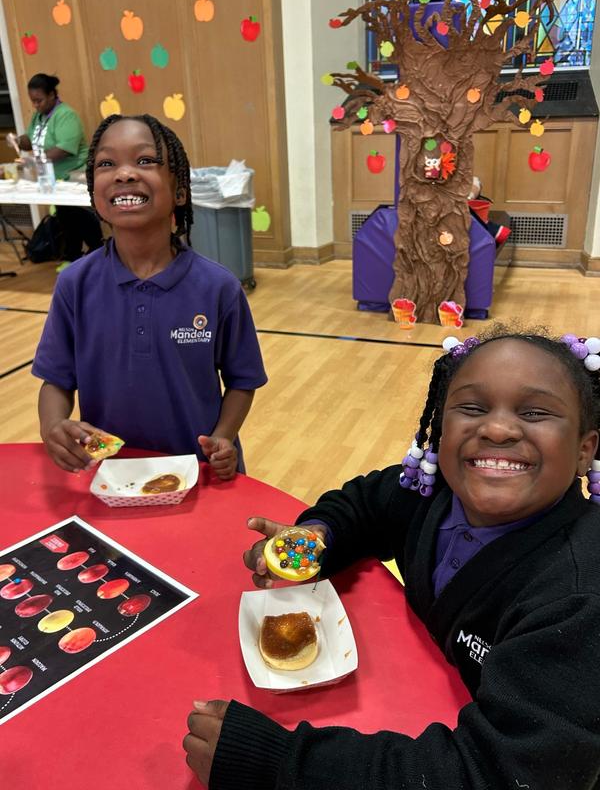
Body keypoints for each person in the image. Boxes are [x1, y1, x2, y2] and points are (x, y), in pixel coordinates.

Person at [183, 326, 600, 787]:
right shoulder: (426, 490)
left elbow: (497, 773)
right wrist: (317, 537)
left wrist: (280, 763)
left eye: (535, 412)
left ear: (585, 450)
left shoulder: (579, 599)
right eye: (472, 407)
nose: (497, 429)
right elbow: (363, 506)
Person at [32, 114, 267, 480]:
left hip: (197, 473)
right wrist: (53, 427)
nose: (124, 174)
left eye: (145, 160)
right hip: (109, 476)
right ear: (93, 190)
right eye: (106, 163)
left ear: (179, 191)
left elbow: (242, 379)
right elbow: (56, 380)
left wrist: (223, 437)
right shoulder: (75, 283)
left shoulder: (218, 286)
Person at [14, 73, 103, 263]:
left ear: (52, 95)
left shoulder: (66, 115)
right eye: (33, 101)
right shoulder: (38, 116)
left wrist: (34, 161)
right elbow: (30, 140)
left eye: (39, 100)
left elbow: (64, 149)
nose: (36, 105)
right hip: (53, 177)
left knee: (78, 216)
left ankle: (97, 254)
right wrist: (17, 141)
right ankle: (73, 258)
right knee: (65, 219)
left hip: (74, 175)